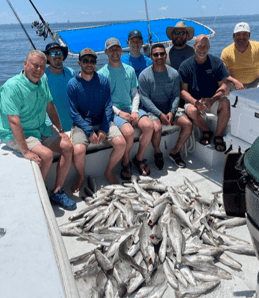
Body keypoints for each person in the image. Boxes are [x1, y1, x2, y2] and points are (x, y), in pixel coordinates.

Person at [0, 50, 76, 210]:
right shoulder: (11, 87)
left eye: (42, 66)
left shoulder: (43, 80)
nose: (39, 69)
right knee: (46, 155)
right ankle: (36, 194)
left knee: (67, 147)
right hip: (18, 133)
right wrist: (25, 151)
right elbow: (14, 121)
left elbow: (50, 106)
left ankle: (57, 190)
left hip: (40, 127)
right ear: (25, 64)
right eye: (34, 65)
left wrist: (60, 130)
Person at [67, 48, 126, 190]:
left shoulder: (104, 81)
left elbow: (108, 106)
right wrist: (89, 132)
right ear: (79, 62)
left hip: (102, 121)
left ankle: (109, 171)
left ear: (95, 63)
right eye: (85, 60)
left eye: (92, 61)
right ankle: (81, 175)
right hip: (82, 125)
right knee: (78, 150)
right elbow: (74, 113)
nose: (89, 63)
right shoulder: (72, 84)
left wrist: (104, 129)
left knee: (121, 143)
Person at [98, 38, 154, 180]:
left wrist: (134, 111)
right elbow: (105, 100)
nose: (115, 52)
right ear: (106, 52)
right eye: (111, 49)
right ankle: (126, 162)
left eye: (117, 49)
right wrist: (120, 113)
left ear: (121, 50)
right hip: (114, 111)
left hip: (130, 107)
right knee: (128, 133)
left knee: (149, 126)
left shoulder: (129, 70)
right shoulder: (101, 74)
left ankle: (139, 158)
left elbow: (135, 93)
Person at [139, 43, 193, 169]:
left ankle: (175, 151)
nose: (159, 56)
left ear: (165, 55)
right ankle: (158, 152)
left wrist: (172, 112)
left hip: (169, 109)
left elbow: (176, 95)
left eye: (162, 54)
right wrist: (159, 114)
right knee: (156, 128)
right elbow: (145, 99)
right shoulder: (144, 75)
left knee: (188, 125)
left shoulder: (174, 73)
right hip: (152, 111)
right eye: (156, 54)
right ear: (151, 57)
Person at [179, 35, 231, 152]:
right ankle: (206, 130)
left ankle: (218, 135)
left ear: (209, 47)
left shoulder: (216, 62)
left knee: (226, 102)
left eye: (205, 46)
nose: (202, 49)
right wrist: (195, 102)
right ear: (194, 47)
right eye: (199, 46)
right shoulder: (185, 66)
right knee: (191, 110)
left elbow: (223, 85)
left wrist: (213, 99)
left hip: (212, 100)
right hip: (195, 101)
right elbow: (183, 91)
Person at [221, 22, 259, 89]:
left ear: (249, 35)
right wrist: (234, 81)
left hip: (257, 82)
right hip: (234, 84)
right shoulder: (226, 52)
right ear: (233, 36)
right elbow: (222, 73)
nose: (241, 37)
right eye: (238, 34)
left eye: (245, 34)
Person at [43, 42, 75, 132]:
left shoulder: (71, 72)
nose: (57, 56)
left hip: (74, 125)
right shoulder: (42, 76)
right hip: (53, 128)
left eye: (59, 53)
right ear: (48, 57)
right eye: (53, 53)